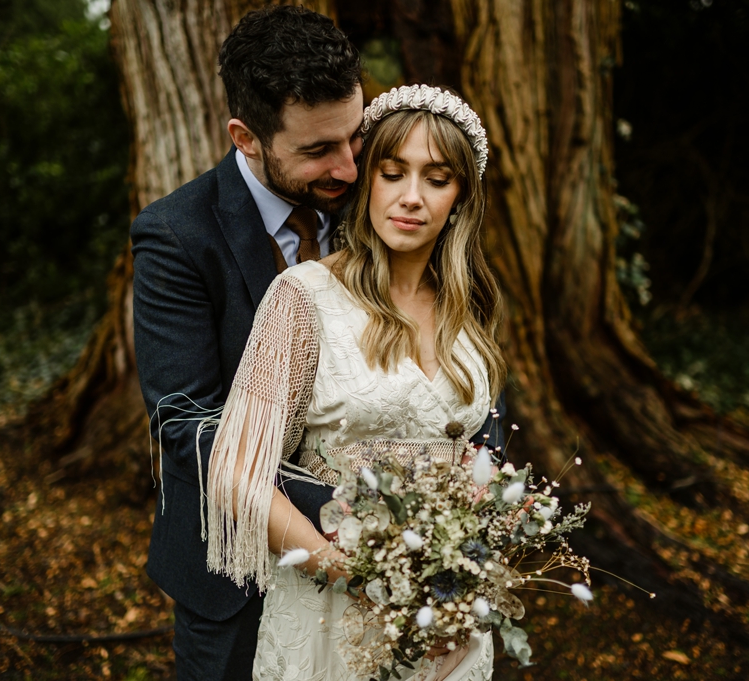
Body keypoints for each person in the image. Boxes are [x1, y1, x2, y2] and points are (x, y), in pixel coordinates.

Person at [204, 84, 504, 680]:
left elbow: (480, 459)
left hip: (446, 617)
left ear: (461, 199)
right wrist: (355, 574)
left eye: (437, 180)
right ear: (368, 181)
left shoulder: (470, 313)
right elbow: (237, 475)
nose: (411, 198)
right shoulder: (303, 299)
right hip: (330, 609)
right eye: (393, 173)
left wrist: (471, 577)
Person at [131, 7, 363, 680]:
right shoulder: (177, 235)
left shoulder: (378, 199)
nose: (349, 167)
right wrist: (348, 506)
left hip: (382, 563)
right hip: (232, 574)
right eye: (319, 149)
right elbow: (186, 422)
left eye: (354, 134)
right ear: (247, 137)